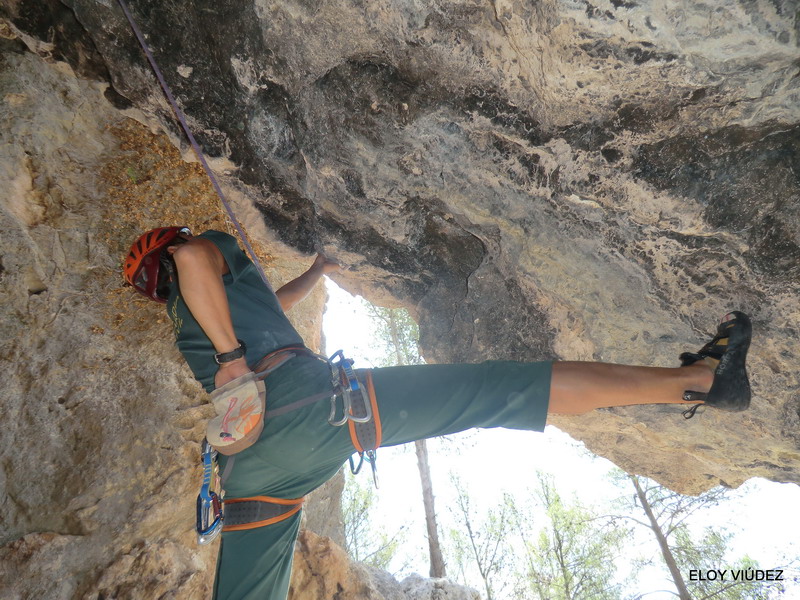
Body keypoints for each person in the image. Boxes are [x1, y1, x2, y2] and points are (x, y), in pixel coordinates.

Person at [123, 226, 752, 600]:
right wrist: (232, 359)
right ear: (168, 248)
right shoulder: (198, 258)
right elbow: (195, 260)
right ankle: (699, 380)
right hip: (307, 407)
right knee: (496, 390)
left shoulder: (191, 315)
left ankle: (698, 380)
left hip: (249, 472)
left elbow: (272, 304)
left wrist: (315, 273)